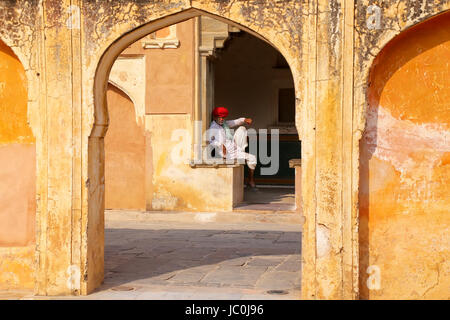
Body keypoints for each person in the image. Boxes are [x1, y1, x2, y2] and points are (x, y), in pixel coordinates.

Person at [207, 106, 258, 189]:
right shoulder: (213, 127)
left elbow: (235, 122)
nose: (221, 119)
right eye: (219, 117)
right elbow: (211, 141)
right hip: (227, 154)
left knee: (242, 129)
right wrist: (220, 145)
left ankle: (250, 180)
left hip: (234, 149)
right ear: (215, 117)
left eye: (223, 117)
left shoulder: (224, 124)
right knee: (249, 158)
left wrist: (244, 120)